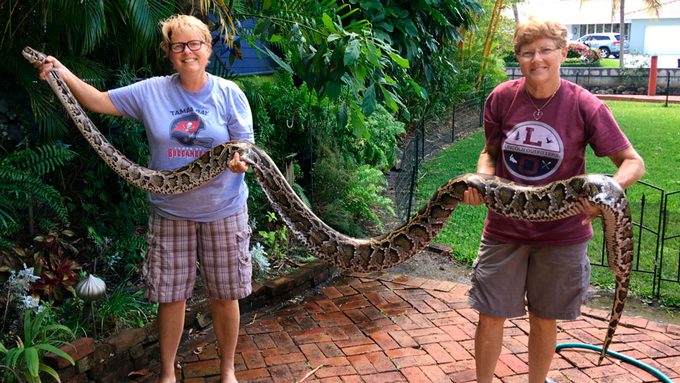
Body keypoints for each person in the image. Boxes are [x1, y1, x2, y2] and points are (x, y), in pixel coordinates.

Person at [35, 14, 253, 383]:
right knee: (171, 296)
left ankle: (228, 369)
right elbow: (99, 100)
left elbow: (245, 146)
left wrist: (239, 161)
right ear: (168, 52)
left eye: (195, 44)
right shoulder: (152, 90)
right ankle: (167, 372)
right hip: (170, 211)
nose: (187, 52)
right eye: (178, 45)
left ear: (208, 48)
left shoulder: (229, 93)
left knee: (225, 293)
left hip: (223, 208)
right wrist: (61, 72)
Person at [462, 18, 645, 383]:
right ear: (518, 57)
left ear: (563, 53)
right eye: (527, 52)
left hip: (563, 234)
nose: (537, 59)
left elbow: (633, 163)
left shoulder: (585, 105)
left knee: (544, 318)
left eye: (546, 50)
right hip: (505, 228)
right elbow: (490, 153)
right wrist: (481, 180)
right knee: (489, 313)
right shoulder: (501, 98)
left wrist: (607, 192)